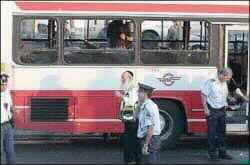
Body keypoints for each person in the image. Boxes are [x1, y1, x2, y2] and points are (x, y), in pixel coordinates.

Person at [201, 68, 233, 161]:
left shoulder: (224, 83)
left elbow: (224, 95)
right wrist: (205, 108)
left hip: (222, 110)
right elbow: (203, 95)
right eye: (227, 78)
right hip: (212, 111)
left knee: (222, 133)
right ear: (222, 75)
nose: (228, 80)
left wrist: (230, 99)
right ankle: (212, 154)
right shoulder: (211, 82)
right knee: (212, 133)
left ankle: (222, 153)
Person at [115, 71, 140, 164]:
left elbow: (132, 101)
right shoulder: (129, 86)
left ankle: (132, 159)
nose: (122, 78)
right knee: (129, 136)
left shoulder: (133, 86)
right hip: (128, 113)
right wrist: (122, 84)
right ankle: (131, 158)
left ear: (129, 76)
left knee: (131, 137)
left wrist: (121, 95)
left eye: (124, 76)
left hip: (131, 114)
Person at [136, 83, 161, 164]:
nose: (138, 93)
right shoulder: (144, 105)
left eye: (139, 92)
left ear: (145, 93)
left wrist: (146, 144)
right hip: (148, 137)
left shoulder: (148, 107)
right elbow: (135, 117)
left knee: (149, 161)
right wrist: (139, 104)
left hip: (150, 139)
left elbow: (151, 127)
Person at [1, 71, 16, 164]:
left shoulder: (7, 93)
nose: (4, 86)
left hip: (8, 125)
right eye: (2, 84)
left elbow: (10, 107)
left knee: (10, 152)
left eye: (5, 84)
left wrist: (12, 116)